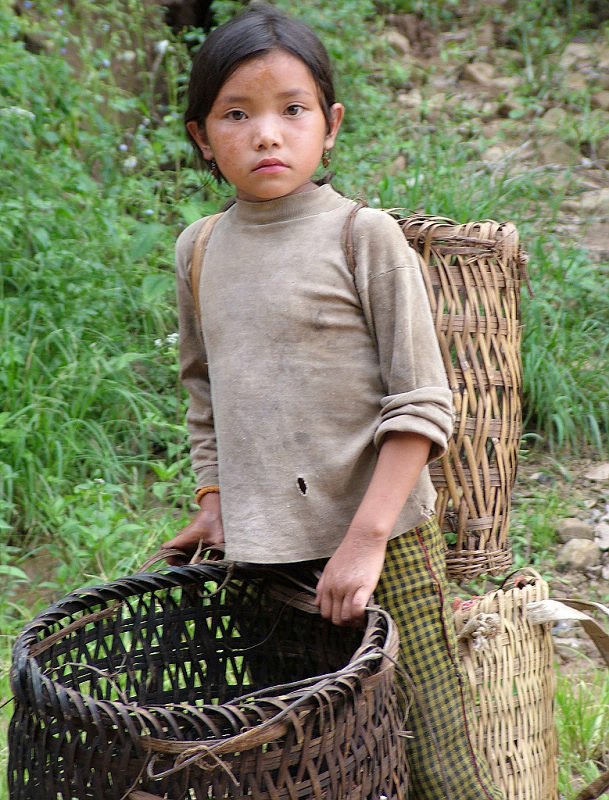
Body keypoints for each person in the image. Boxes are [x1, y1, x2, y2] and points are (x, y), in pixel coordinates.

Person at [162, 6, 504, 799]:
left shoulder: (362, 236)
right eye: (236, 115)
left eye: (292, 110)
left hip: (382, 546)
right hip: (262, 554)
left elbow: (421, 405)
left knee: (435, 754)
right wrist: (216, 502)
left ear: (330, 123)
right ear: (201, 139)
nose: (267, 134)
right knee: (302, 756)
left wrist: (365, 542)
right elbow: (204, 393)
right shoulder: (200, 249)